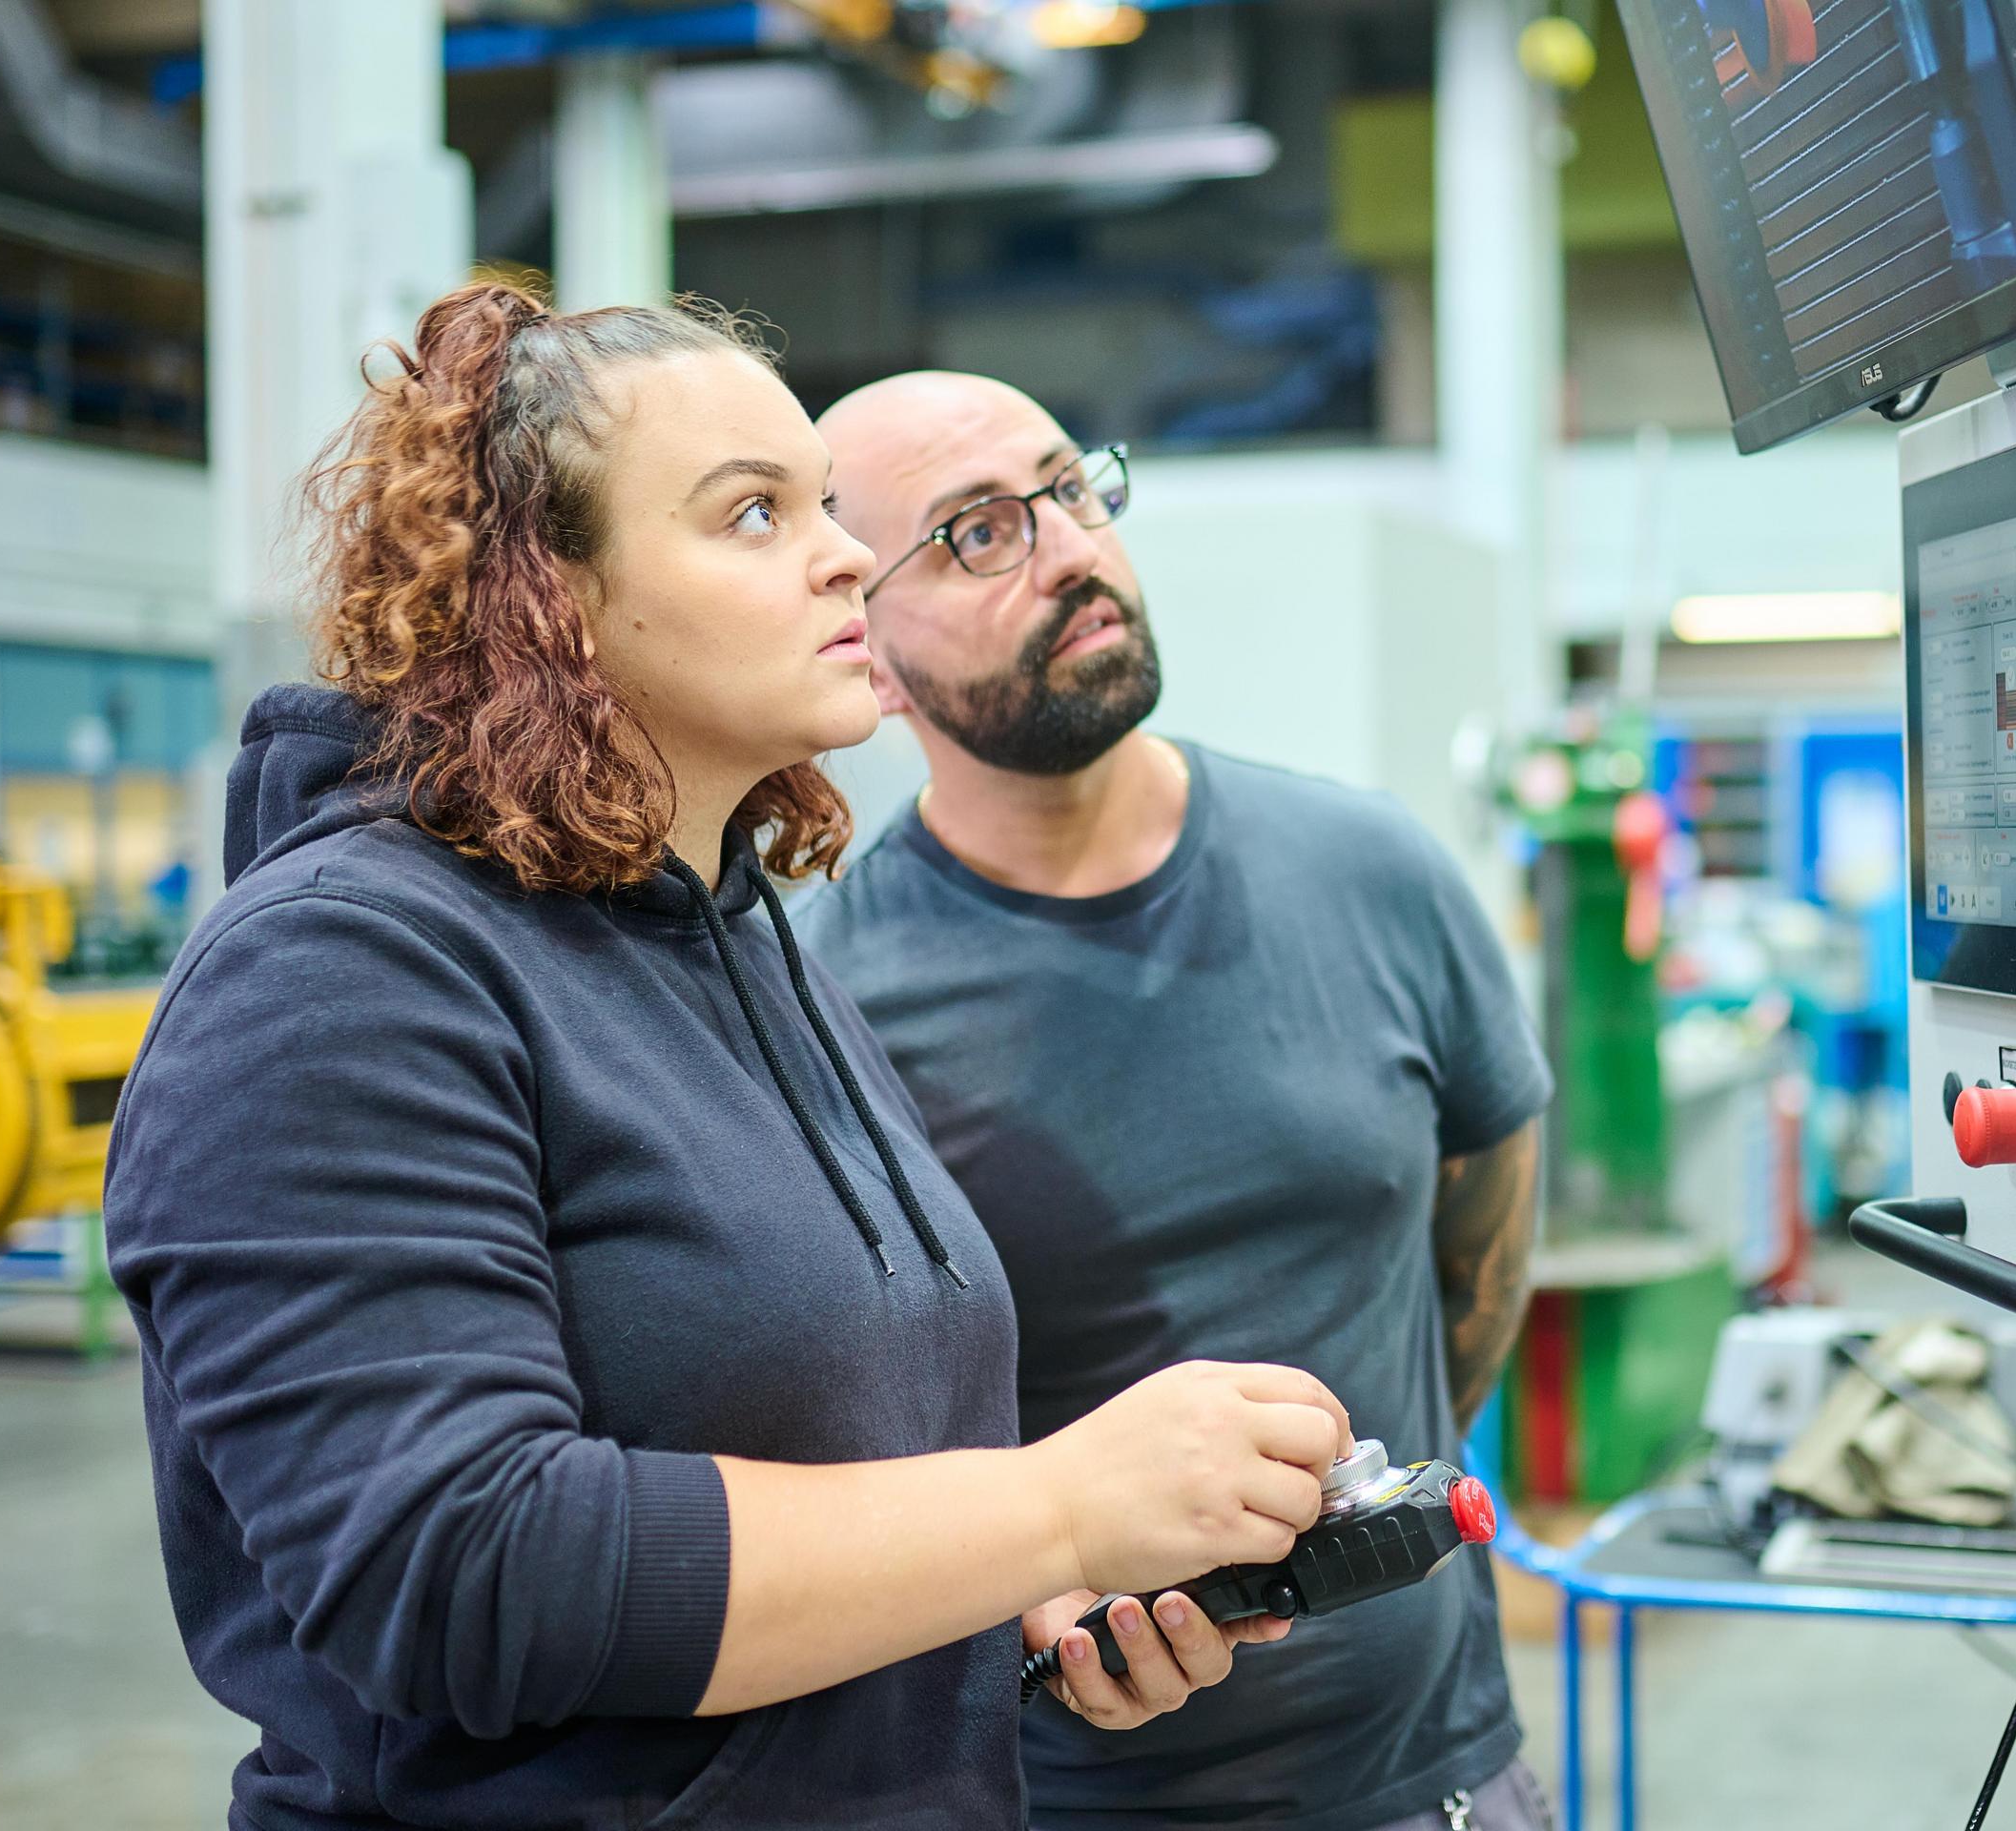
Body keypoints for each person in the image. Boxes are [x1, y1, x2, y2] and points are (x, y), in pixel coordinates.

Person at [102, 283, 1354, 1831]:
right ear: (544, 599)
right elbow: (458, 1571)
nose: (841, 554)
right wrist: (1052, 1504)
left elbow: (824, 1460)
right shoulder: (336, 977)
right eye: (752, 514)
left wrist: (1027, 1598)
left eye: (823, 504)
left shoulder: (734, 937)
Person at [801, 373, 1557, 1831]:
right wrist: (1028, 1605)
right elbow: (861, 1458)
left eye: (1071, 488)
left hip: (1443, 1781)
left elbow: (1479, 1251)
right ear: (869, 656)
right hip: (1065, 1804)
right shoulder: (825, 1009)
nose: (1071, 548)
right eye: (974, 533)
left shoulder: (1374, 872)